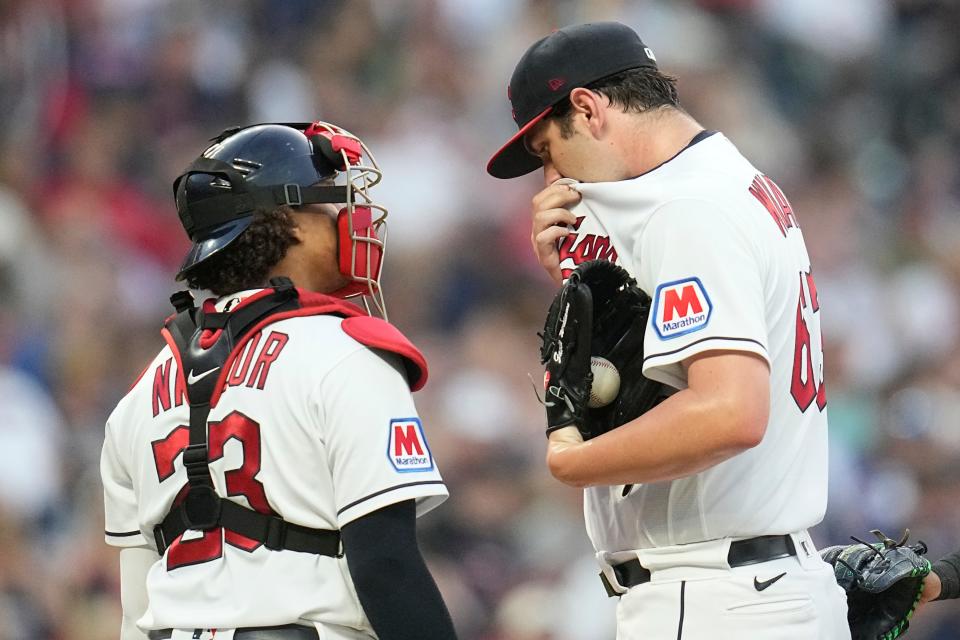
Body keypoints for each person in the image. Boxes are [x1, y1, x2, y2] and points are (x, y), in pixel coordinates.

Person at [487, 21, 849, 638]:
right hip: (746, 587)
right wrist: (576, 281)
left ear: (587, 107)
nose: (553, 179)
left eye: (548, 151)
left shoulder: (690, 209)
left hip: (716, 594)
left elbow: (728, 412)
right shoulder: (723, 180)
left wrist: (574, 462)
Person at [100, 122, 458, 640]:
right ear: (286, 220)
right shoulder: (346, 355)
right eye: (331, 202)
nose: (348, 217)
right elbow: (386, 566)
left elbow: (136, 608)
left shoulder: (138, 397)